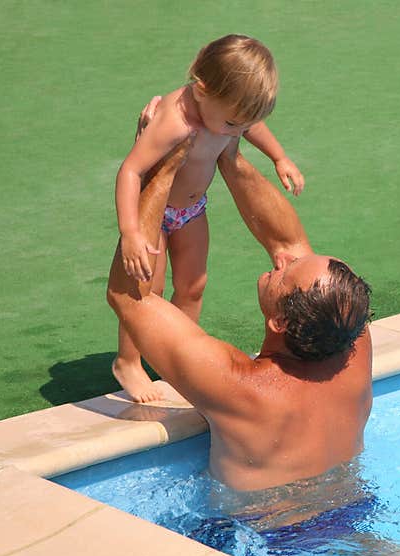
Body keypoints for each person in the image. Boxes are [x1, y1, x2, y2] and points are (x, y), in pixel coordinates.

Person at [107, 134, 373, 493]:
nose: (282, 258)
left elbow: (129, 297)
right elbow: (286, 241)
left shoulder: (240, 385)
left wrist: (162, 169)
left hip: (263, 538)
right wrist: (229, 155)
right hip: (349, 510)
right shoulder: (350, 338)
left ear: (281, 322)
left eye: (288, 271)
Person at [113, 33, 306, 403]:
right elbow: (130, 172)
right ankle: (127, 362)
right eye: (234, 123)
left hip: (192, 209)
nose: (239, 132)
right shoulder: (176, 121)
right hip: (155, 213)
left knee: (193, 285)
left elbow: (252, 125)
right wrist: (130, 232)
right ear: (201, 90)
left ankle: (179, 359)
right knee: (145, 291)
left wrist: (279, 157)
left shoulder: (226, 112)